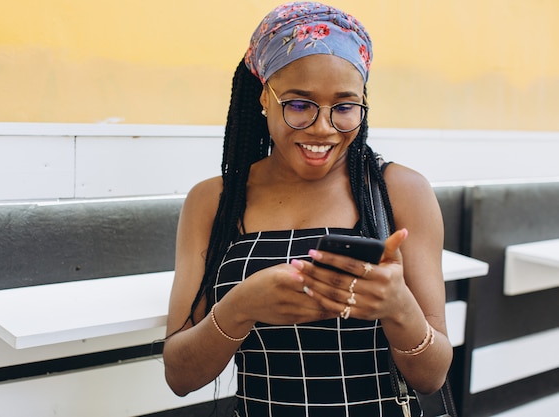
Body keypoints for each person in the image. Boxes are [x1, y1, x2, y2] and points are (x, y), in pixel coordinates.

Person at [163, 2, 452, 416]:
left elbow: (432, 376)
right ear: (265, 96)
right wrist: (240, 307)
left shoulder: (399, 192)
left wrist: (398, 306)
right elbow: (180, 376)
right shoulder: (214, 202)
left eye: (345, 106)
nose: (322, 127)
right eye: (299, 104)